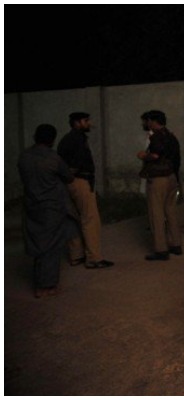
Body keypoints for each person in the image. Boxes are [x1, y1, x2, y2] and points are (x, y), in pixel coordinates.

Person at [18, 124, 78, 298]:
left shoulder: (24, 157)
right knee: (51, 247)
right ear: (52, 139)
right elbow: (68, 177)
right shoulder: (53, 158)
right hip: (51, 208)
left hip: (31, 206)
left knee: (38, 244)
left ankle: (39, 282)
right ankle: (47, 286)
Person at [57, 112, 114, 269]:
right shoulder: (77, 139)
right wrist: (72, 177)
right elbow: (73, 165)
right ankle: (94, 258)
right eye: (86, 121)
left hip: (72, 182)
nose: (89, 123)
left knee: (74, 219)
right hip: (80, 181)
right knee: (90, 219)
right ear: (77, 123)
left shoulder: (68, 139)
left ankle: (77, 255)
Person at [137, 110, 182, 261]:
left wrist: (144, 155)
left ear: (152, 121)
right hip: (171, 178)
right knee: (171, 212)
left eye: (146, 121)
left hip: (158, 179)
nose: (144, 124)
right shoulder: (171, 136)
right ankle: (176, 245)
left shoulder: (156, 136)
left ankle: (161, 250)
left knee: (156, 214)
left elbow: (155, 155)